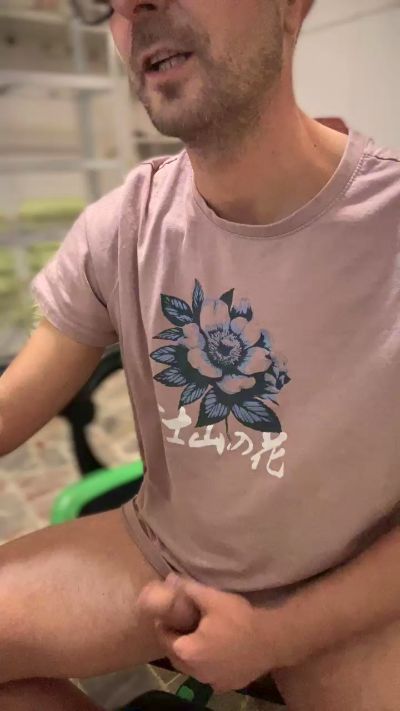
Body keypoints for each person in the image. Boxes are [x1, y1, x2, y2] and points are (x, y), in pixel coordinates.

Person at [0, 1, 399, 708]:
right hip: (165, 554)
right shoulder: (123, 227)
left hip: (353, 592)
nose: (134, 10)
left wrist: (279, 636)